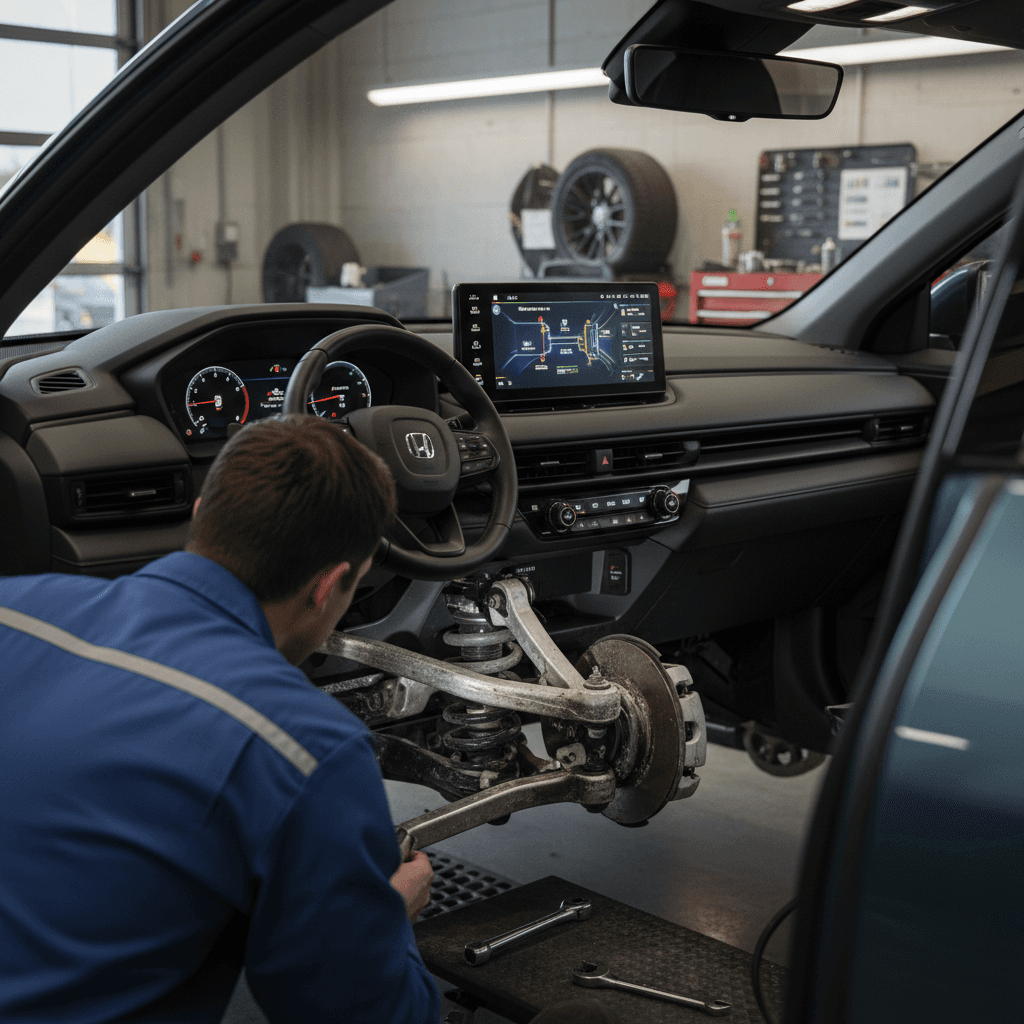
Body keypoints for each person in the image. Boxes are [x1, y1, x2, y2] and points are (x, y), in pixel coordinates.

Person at [0, 414, 439, 1024]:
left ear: (203, 511)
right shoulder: (307, 748)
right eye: (354, 587)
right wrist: (385, 919)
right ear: (329, 585)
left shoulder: (10, 607)